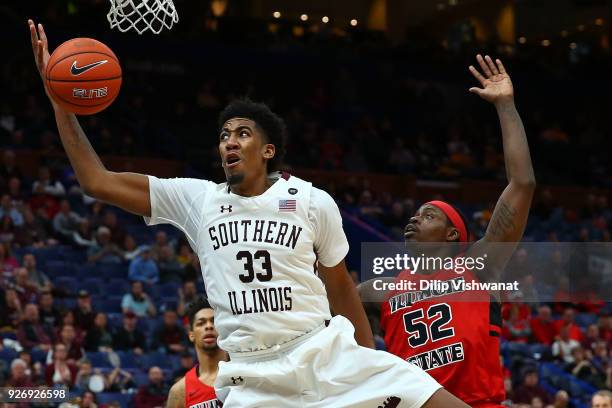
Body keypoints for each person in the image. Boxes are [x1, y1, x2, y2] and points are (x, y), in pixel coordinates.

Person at [28, 19, 468, 407]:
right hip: (254, 378)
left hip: (325, 356)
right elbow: (96, 180)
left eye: (242, 133)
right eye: (224, 135)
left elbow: (342, 290)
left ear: (268, 150)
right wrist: (61, 103)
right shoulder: (197, 199)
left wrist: (367, 362)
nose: (230, 141)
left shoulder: (312, 200)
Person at [360, 55, 535, 407]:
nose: (412, 220)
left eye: (427, 216)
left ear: (453, 235)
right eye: (412, 216)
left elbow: (523, 182)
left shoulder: (478, 268)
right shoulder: (378, 291)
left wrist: (506, 106)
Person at [167, 296, 226, 407]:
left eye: (214, 321)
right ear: (191, 335)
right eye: (201, 323)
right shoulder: (179, 392)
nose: (209, 326)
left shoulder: (245, 373)